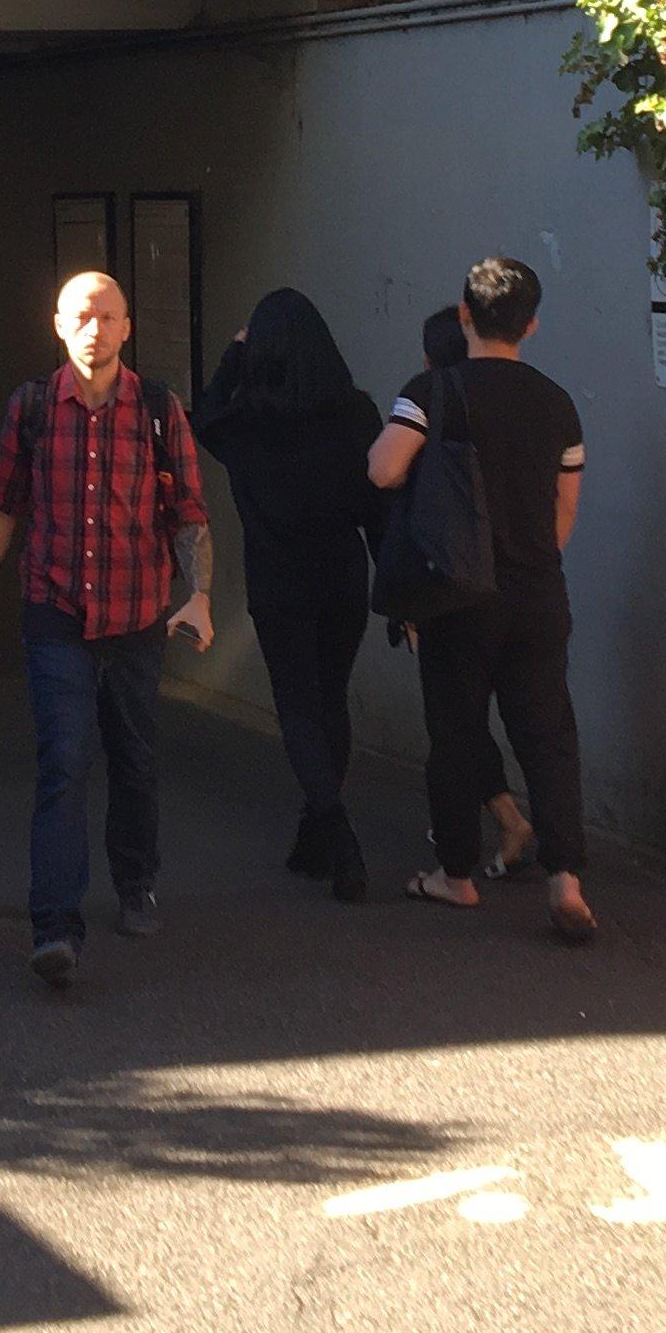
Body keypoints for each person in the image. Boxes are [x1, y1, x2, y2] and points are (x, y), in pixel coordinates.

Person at [0, 270, 216, 990]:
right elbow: (1, 508)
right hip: (56, 613)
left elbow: (189, 512)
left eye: (109, 315)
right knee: (63, 761)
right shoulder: (32, 408)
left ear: (128, 328)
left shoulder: (159, 410)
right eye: (82, 316)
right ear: (59, 326)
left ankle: (136, 882)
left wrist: (201, 595)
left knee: (133, 757)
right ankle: (55, 927)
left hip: (135, 616)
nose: (96, 327)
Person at [369, 254, 599, 942]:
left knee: (457, 731)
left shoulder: (433, 391)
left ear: (464, 314)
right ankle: (565, 878)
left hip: (456, 594)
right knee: (548, 733)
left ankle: (456, 875)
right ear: (531, 324)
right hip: (536, 590)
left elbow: (383, 469)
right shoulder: (556, 401)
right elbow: (565, 508)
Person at [192, 288, 383, 902]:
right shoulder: (357, 413)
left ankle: (339, 835)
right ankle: (317, 832)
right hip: (344, 572)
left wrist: (232, 354)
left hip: (279, 579)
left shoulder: (246, 421)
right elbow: (376, 504)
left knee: (297, 707)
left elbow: (203, 415)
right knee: (331, 700)